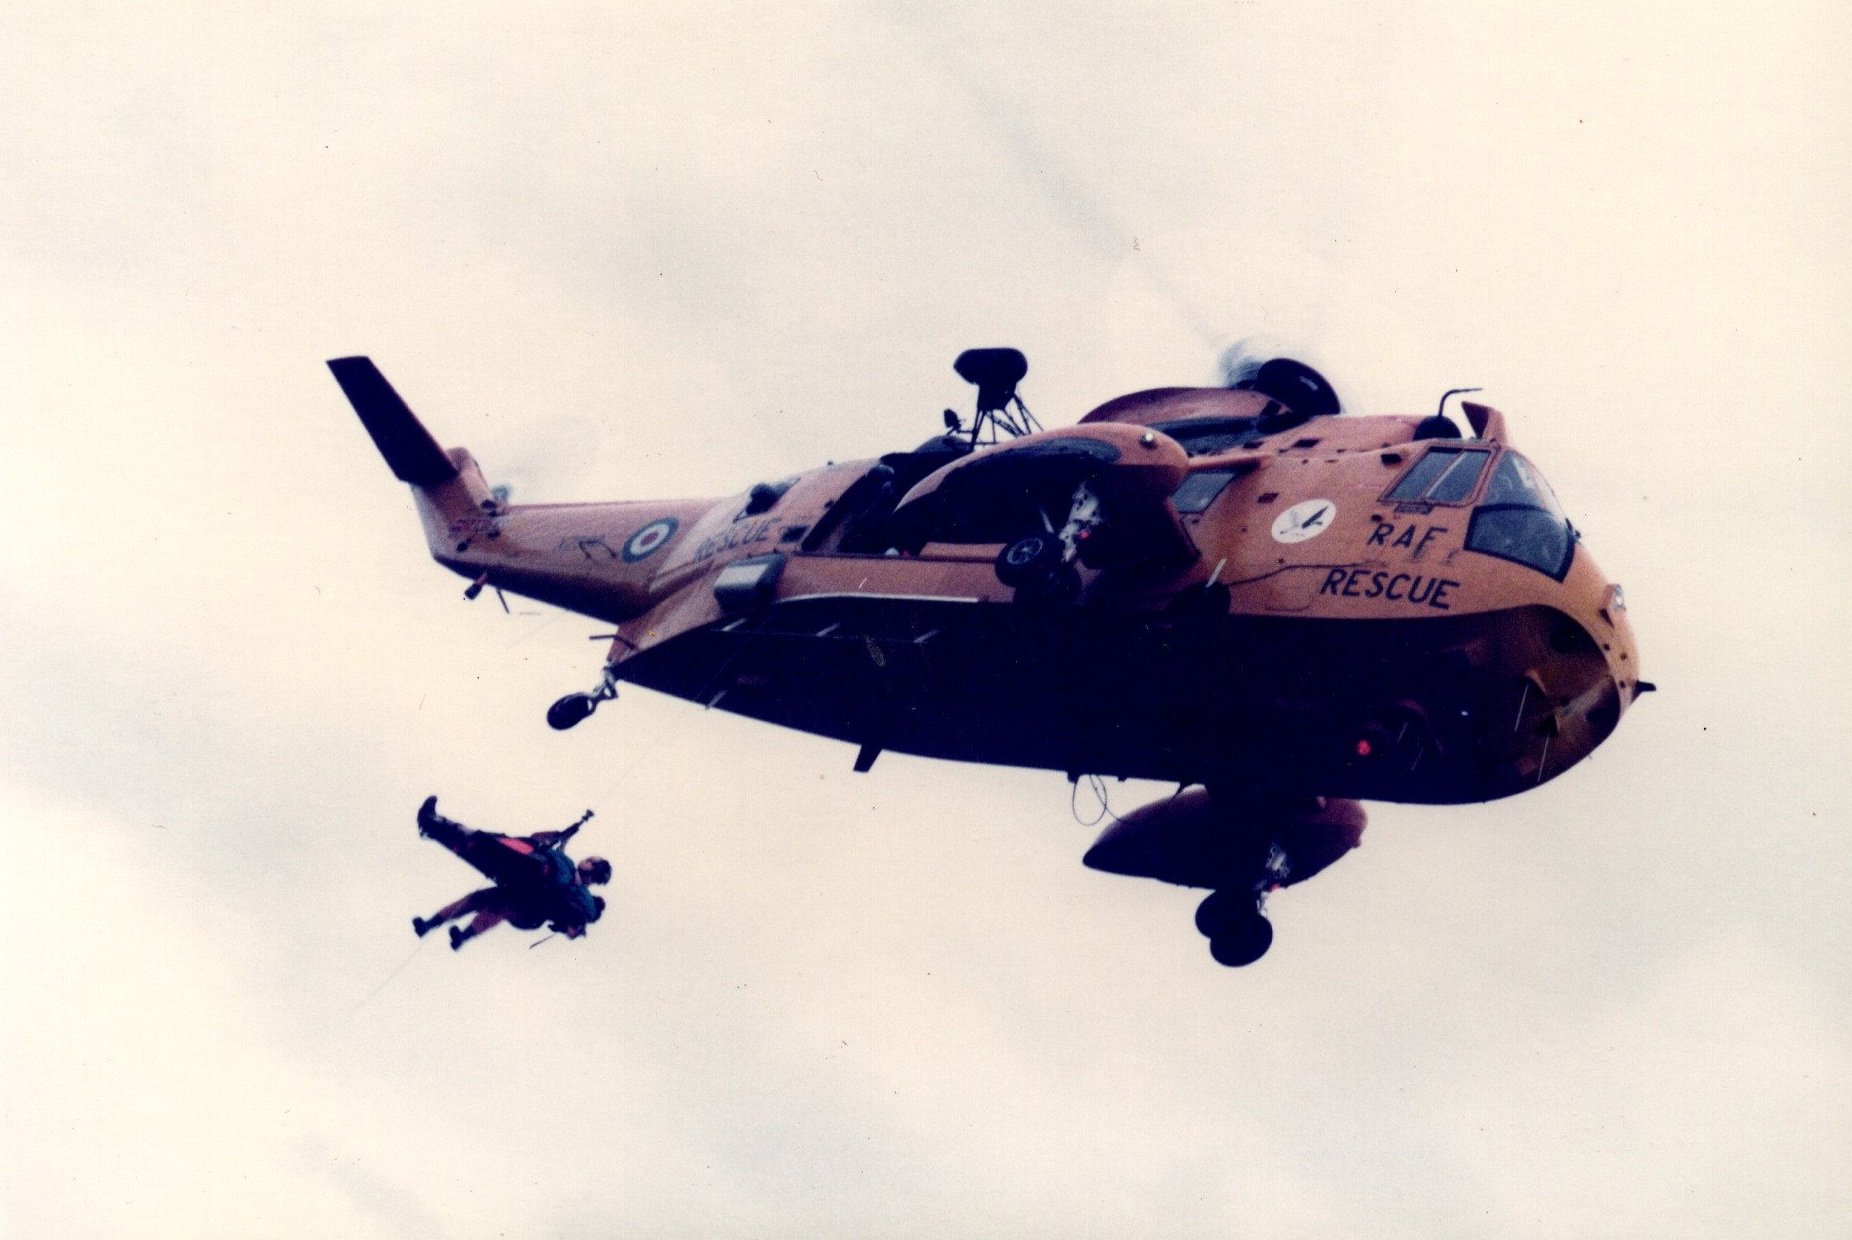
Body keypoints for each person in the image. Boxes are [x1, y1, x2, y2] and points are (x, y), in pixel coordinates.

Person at [411, 796, 612, 950]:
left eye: (591, 861)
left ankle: (464, 935)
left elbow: (575, 922)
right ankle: (429, 925)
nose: (586, 860)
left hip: (530, 907)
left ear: (594, 870)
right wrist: (559, 835)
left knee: (499, 904)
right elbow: (537, 840)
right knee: (480, 895)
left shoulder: (579, 892)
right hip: (523, 884)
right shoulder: (568, 867)